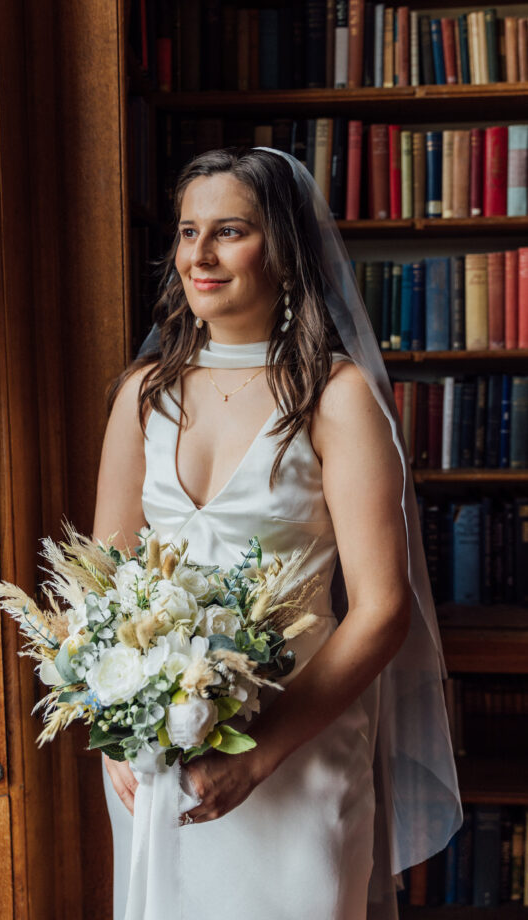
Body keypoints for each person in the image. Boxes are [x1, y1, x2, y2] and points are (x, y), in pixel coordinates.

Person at [93, 147, 461, 920]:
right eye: (188, 231)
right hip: (159, 747)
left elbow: (381, 609)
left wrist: (262, 753)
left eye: (229, 230)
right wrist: (116, 730)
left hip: (298, 738)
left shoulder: (337, 397)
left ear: (284, 249)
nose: (199, 254)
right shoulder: (140, 396)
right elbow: (103, 585)